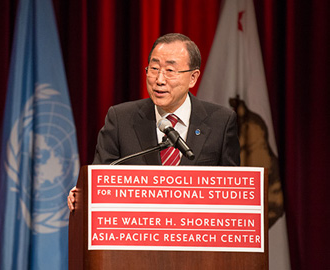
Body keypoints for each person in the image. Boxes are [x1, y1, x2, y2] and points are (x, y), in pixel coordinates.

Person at [67, 33, 240, 211]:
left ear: (193, 77)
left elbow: (234, 191)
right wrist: (86, 192)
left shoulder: (221, 122)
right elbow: (101, 179)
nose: (159, 80)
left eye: (170, 71)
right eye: (154, 69)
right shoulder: (121, 119)